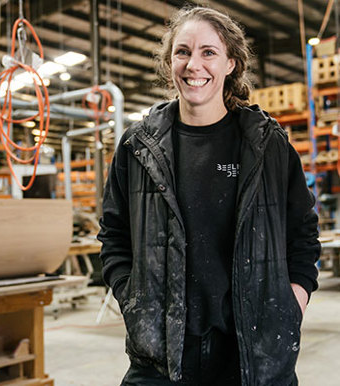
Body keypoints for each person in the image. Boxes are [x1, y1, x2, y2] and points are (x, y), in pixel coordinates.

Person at [98, 6, 321, 386]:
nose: (192, 65)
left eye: (208, 52)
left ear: (231, 63)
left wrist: (290, 303)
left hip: (253, 351)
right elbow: (113, 235)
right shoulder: (138, 147)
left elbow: (302, 235)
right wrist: (132, 299)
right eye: (182, 52)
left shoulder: (267, 145)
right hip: (161, 353)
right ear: (170, 62)